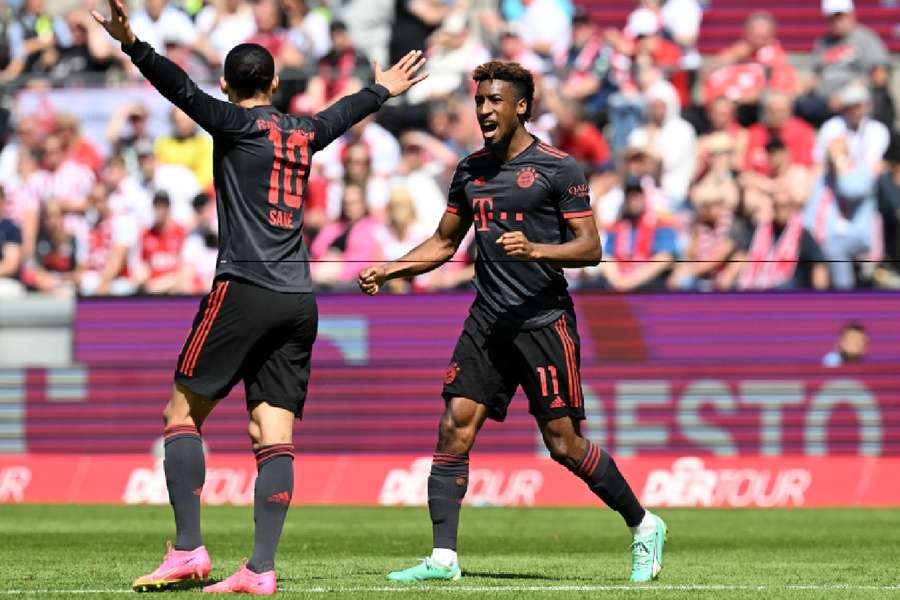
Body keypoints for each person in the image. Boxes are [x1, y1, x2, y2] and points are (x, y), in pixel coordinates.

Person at [91, 0, 426, 592]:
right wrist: (380, 89)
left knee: (180, 415)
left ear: (227, 84)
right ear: (274, 84)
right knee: (272, 434)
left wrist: (132, 42)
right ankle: (261, 568)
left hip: (244, 287)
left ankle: (190, 550)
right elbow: (338, 116)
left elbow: (178, 88)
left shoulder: (231, 122)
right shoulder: (301, 132)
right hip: (299, 299)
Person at [358, 61, 667, 584]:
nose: (484, 110)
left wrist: (536, 250)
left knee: (564, 444)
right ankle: (443, 559)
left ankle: (644, 524)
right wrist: (391, 268)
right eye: (479, 101)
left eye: (494, 101)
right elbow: (442, 243)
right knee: (454, 425)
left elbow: (591, 250)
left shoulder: (558, 167)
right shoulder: (470, 169)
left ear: (521, 106)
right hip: (488, 320)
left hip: (543, 320)